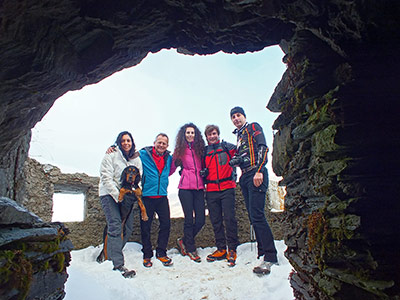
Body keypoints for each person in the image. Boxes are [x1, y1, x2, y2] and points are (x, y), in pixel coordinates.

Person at [229, 106, 278, 275]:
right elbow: (245, 155)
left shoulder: (253, 127)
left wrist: (259, 170)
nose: (236, 118)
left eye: (238, 115)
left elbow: (263, 148)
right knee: (252, 215)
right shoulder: (240, 137)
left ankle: (271, 257)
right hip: (245, 177)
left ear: (244, 116)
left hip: (256, 173)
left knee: (257, 215)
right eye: (233, 117)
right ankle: (262, 251)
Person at [98, 131, 142, 278]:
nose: (126, 143)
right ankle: (117, 264)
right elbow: (106, 177)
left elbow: (139, 177)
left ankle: (109, 252)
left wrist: (133, 192)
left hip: (127, 196)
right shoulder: (111, 155)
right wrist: (118, 196)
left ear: (132, 142)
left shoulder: (136, 158)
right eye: (123, 140)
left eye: (128, 140)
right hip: (109, 194)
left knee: (128, 227)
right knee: (115, 224)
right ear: (119, 142)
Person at [202, 125, 240, 267]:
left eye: (214, 134)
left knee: (230, 218)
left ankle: (232, 248)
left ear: (218, 134)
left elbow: (240, 153)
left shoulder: (227, 147)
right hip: (211, 189)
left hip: (227, 188)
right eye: (209, 135)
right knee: (215, 220)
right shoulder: (204, 152)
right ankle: (221, 248)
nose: (212, 137)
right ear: (206, 137)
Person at [172, 123, 206, 263]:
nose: (190, 135)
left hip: (199, 188)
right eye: (188, 133)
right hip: (185, 188)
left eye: (192, 133)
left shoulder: (201, 150)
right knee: (188, 219)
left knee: (201, 220)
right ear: (184, 135)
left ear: (196, 135)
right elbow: (170, 166)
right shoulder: (179, 150)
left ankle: (184, 240)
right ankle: (191, 249)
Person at [139, 133, 174, 268]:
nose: (161, 145)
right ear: (154, 143)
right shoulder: (143, 154)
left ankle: (161, 252)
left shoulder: (169, 158)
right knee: (145, 227)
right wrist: (113, 148)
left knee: (166, 224)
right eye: (159, 142)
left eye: (164, 143)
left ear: (167, 146)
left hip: (162, 197)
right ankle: (147, 255)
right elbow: (128, 154)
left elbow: (180, 159)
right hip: (147, 196)